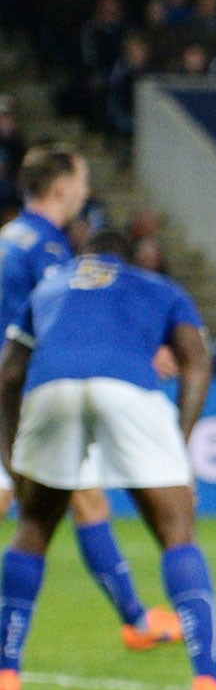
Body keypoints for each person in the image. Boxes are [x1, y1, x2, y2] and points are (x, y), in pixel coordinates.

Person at [0, 229, 216, 690]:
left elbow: (8, 373)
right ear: (133, 260)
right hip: (126, 386)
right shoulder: (157, 287)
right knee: (177, 532)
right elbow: (197, 363)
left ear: (85, 259)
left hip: (51, 386)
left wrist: (9, 453)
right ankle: (210, 679)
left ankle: (5, 671)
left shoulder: (50, 285)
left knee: (34, 527)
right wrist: (179, 448)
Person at [0, 145, 181, 652]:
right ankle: (138, 619)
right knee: (59, 498)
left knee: (84, 495)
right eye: (80, 182)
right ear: (59, 189)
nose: (86, 191)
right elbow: (67, 323)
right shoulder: (48, 251)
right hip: (14, 389)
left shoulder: (12, 236)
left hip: (17, 386)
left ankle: (137, 618)